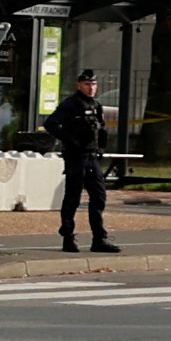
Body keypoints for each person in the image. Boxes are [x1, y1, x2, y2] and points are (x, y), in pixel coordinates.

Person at [52, 68, 125, 253]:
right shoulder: (70, 104)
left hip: (92, 157)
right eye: (87, 84)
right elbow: (51, 124)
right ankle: (68, 237)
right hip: (76, 158)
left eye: (93, 84)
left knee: (99, 197)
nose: (91, 87)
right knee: (72, 198)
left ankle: (99, 239)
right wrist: (70, 140)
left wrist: (101, 147)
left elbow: (101, 129)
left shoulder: (96, 105)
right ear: (79, 85)